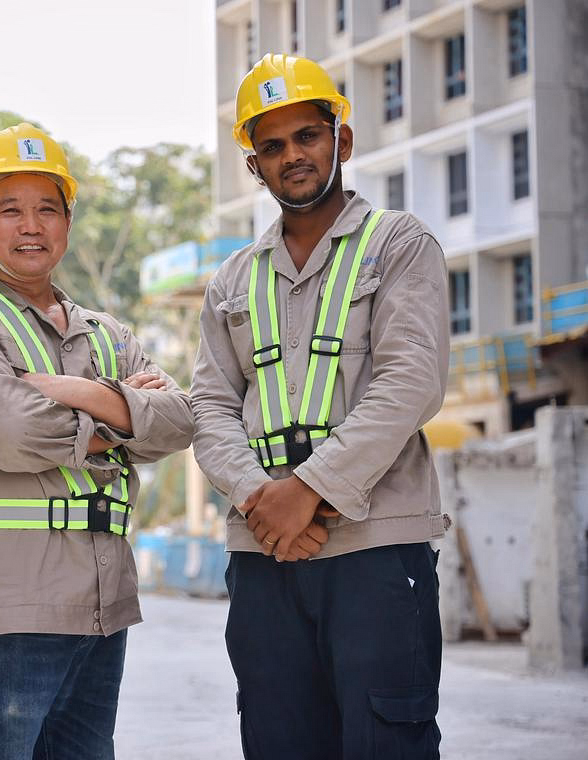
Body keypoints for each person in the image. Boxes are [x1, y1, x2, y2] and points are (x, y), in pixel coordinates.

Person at [190, 54, 450, 758]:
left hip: (374, 547)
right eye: (270, 146)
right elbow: (209, 407)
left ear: (343, 141)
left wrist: (307, 491)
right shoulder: (232, 280)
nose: (292, 156)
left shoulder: (399, 245)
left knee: (384, 742)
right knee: (279, 742)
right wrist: (259, 499)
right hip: (263, 554)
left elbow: (410, 383)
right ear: (255, 168)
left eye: (307, 135)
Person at [0, 122, 194, 760]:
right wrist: (126, 410)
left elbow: (181, 419)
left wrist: (75, 392)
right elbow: (12, 432)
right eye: (9, 209)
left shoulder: (106, 331)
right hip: (4, 612)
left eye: (48, 208)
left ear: (68, 222)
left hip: (103, 608)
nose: (31, 225)